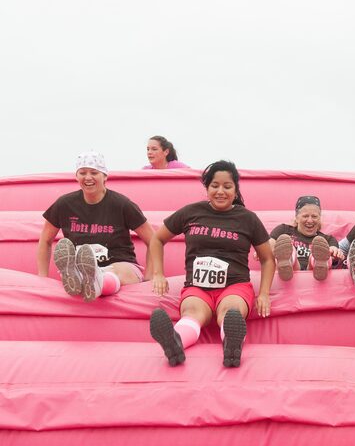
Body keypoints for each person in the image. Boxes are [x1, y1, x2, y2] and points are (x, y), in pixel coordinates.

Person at [148, 160, 275, 368]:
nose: (220, 191)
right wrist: (158, 274)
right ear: (206, 188)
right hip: (197, 287)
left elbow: (268, 258)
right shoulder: (191, 212)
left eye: (227, 186)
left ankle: (231, 345)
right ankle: (174, 343)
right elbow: (157, 239)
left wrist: (264, 294)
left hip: (235, 285)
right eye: (214, 186)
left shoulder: (247, 219)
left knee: (230, 311)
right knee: (192, 311)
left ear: (236, 189)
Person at [36, 151, 155, 301]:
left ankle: (93, 280)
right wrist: (42, 278)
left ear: (105, 176)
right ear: (76, 176)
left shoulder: (122, 204)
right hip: (80, 266)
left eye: (94, 172)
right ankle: (81, 276)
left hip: (120, 264)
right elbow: (45, 240)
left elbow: (153, 240)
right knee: (88, 273)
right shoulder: (64, 204)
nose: (88, 177)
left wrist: (151, 276)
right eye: (82, 173)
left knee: (116, 272)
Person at [269, 195, 344, 281]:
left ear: (319, 218)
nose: (310, 220)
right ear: (297, 218)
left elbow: (333, 249)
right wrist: (263, 251)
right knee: (288, 249)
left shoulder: (328, 239)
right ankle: (288, 261)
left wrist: (335, 253)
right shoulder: (283, 230)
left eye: (314, 216)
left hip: (312, 274)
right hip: (292, 271)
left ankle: (316, 262)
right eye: (305, 216)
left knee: (319, 255)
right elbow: (269, 245)